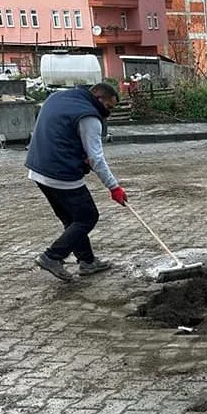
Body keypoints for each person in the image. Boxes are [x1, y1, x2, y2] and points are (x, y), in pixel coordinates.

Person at [26, 82, 126, 283]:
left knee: (72, 220)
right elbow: (96, 158)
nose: (109, 113)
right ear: (98, 98)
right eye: (109, 107)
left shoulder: (59, 97)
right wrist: (114, 187)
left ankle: (87, 262)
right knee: (88, 217)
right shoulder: (89, 117)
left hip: (37, 169)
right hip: (61, 173)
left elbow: (58, 131)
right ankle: (52, 256)